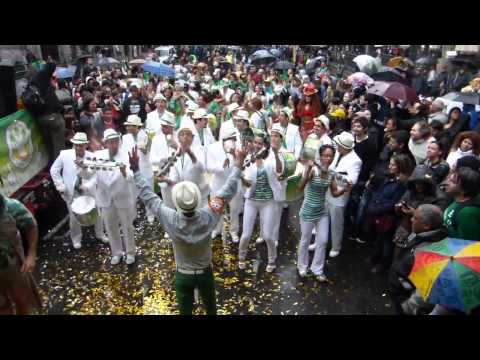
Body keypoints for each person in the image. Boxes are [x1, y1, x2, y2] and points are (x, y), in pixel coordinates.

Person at [129, 137, 248, 315]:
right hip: (205, 274)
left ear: (177, 202)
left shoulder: (170, 217)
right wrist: (238, 164)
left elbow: (149, 197)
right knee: (211, 310)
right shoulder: (209, 213)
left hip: (183, 275)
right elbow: (228, 190)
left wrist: (136, 171)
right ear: (196, 200)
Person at [297, 145, 352, 282]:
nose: (328, 158)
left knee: (322, 241)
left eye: (331, 156)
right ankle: (302, 266)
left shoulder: (331, 173)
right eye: (325, 155)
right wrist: (308, 169)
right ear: (320, 156)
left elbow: (334, 193)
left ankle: (317, 269)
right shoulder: (313, 170)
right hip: (308, 209)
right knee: (305, 240)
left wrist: (345, 189)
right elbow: (300, 187)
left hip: (322, 211)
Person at [50, 132, 108, 249]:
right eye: (76, 145)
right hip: (71, 192)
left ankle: (100, 234)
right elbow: (54, 170)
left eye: (80, 145)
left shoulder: (92, 156)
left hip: (89, 191)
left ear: (86, 145)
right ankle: (76, 239)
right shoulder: (64, 154)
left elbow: (96, 175)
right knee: (73, 217)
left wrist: (88, 185)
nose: (78, 147)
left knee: (97, 213)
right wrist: (60, 185)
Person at [238, 129, 285, 273]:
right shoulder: (248, 159)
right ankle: (241, 258)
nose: (257, 145)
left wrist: (276, 154)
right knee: (246, 235)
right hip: (251, 202)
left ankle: (272, 260)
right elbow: (247, 184)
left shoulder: (272, 157)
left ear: (265, 144)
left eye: (260, 143)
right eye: (255, 142)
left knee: (269, 236)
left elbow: (279, 171)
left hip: (268, 202)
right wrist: (239, 175)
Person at [388, 204, 448, 315]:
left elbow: (426, 288)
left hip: (405, 301)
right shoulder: (421, 234)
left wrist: (407, 306)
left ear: (426, 225)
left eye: (415, 218)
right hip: (400, 292)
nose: (411, 219)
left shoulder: (429, 252)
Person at [94, 129, 136, 265]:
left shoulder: (125, 155)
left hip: (122, 197)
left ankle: (130, 252)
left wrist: (124, 172)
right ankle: (116, 252)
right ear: (105, 143)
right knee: (111, 227)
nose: (114, 145)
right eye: (111, 142)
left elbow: (130, 176)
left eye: (116, 141)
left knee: (127, 226)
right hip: (106, 199)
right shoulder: (98, 155)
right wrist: (82, 168)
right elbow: (89, 174)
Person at [366, 154, 413, 274]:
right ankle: (374, 257)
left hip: (390, 218)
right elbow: (379, 193)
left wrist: (375, 209)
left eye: (393, 164)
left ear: (400, 167)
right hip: (379, 214)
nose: (390, 166)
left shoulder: (402, 184)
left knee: (386, 243)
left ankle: (383, 264)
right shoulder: (389, 178)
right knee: (379, 240)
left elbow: (394, 203)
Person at [0, 193, 41, 315]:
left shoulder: (11, 207)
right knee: (2, 306)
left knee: (21, 299)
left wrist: (31, 255)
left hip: (12, 264)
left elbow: (31, 226)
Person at [326, 131, 362, 258]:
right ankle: (321, 242)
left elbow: (352, 180)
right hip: (327, 191)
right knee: (323, 219)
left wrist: (336, 175)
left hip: (339, 196)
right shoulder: (337, 153)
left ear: (345, 147)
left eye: (339, 144)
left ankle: (336, 246)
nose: (336, 146)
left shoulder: (356, 161)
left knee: (336, 223)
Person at [206, 130, 243, 243]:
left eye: (234, 138)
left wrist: (235, 156)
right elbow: (209, 167)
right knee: (216, 208)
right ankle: (216, 229)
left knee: (235, 209)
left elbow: (242, 165)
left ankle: (234, 231)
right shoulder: (212, 148)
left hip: (234, 184)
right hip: (218, 183)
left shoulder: (239, 148)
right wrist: (221, 166)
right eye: (229, 138)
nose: (232, 141)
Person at [30, 61, 66, 163]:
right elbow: (52, 66)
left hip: (41, 119)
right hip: (52, 116)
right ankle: (60, 169)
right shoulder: (41, 77)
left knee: (49, 147)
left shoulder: (31, 83)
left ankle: (53, 169)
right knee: (58, 146)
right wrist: (49, 61)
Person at [121, 115, 155, 224]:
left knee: (148, 193)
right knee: (132, 194)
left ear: (136, 126)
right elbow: (123, 153)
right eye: (127, 126)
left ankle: (151, 214)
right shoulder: (125, 138)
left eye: (129, 126)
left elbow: (150, 152)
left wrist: (145, 149)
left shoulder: (147, 135)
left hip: (145, 168)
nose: (127, 128)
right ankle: (133, 216)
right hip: (132, 169)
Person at [167, 126, 210, 208]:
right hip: (183, 196)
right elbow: (174, 178)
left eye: (188, 134)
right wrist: (166, 180)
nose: (185, 137)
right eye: (182, 134)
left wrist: (190, 152)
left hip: (199, 193)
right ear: (178, 139)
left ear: (193, 138)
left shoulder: (200, 150)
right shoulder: (174, 153)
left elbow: (202, 168)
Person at [443, 167, 480, 241]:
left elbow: (470, 244)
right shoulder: (455, 200)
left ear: (464, 190)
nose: (446, 183)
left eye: (452, 182)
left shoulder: (467, 213)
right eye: (448, 179)